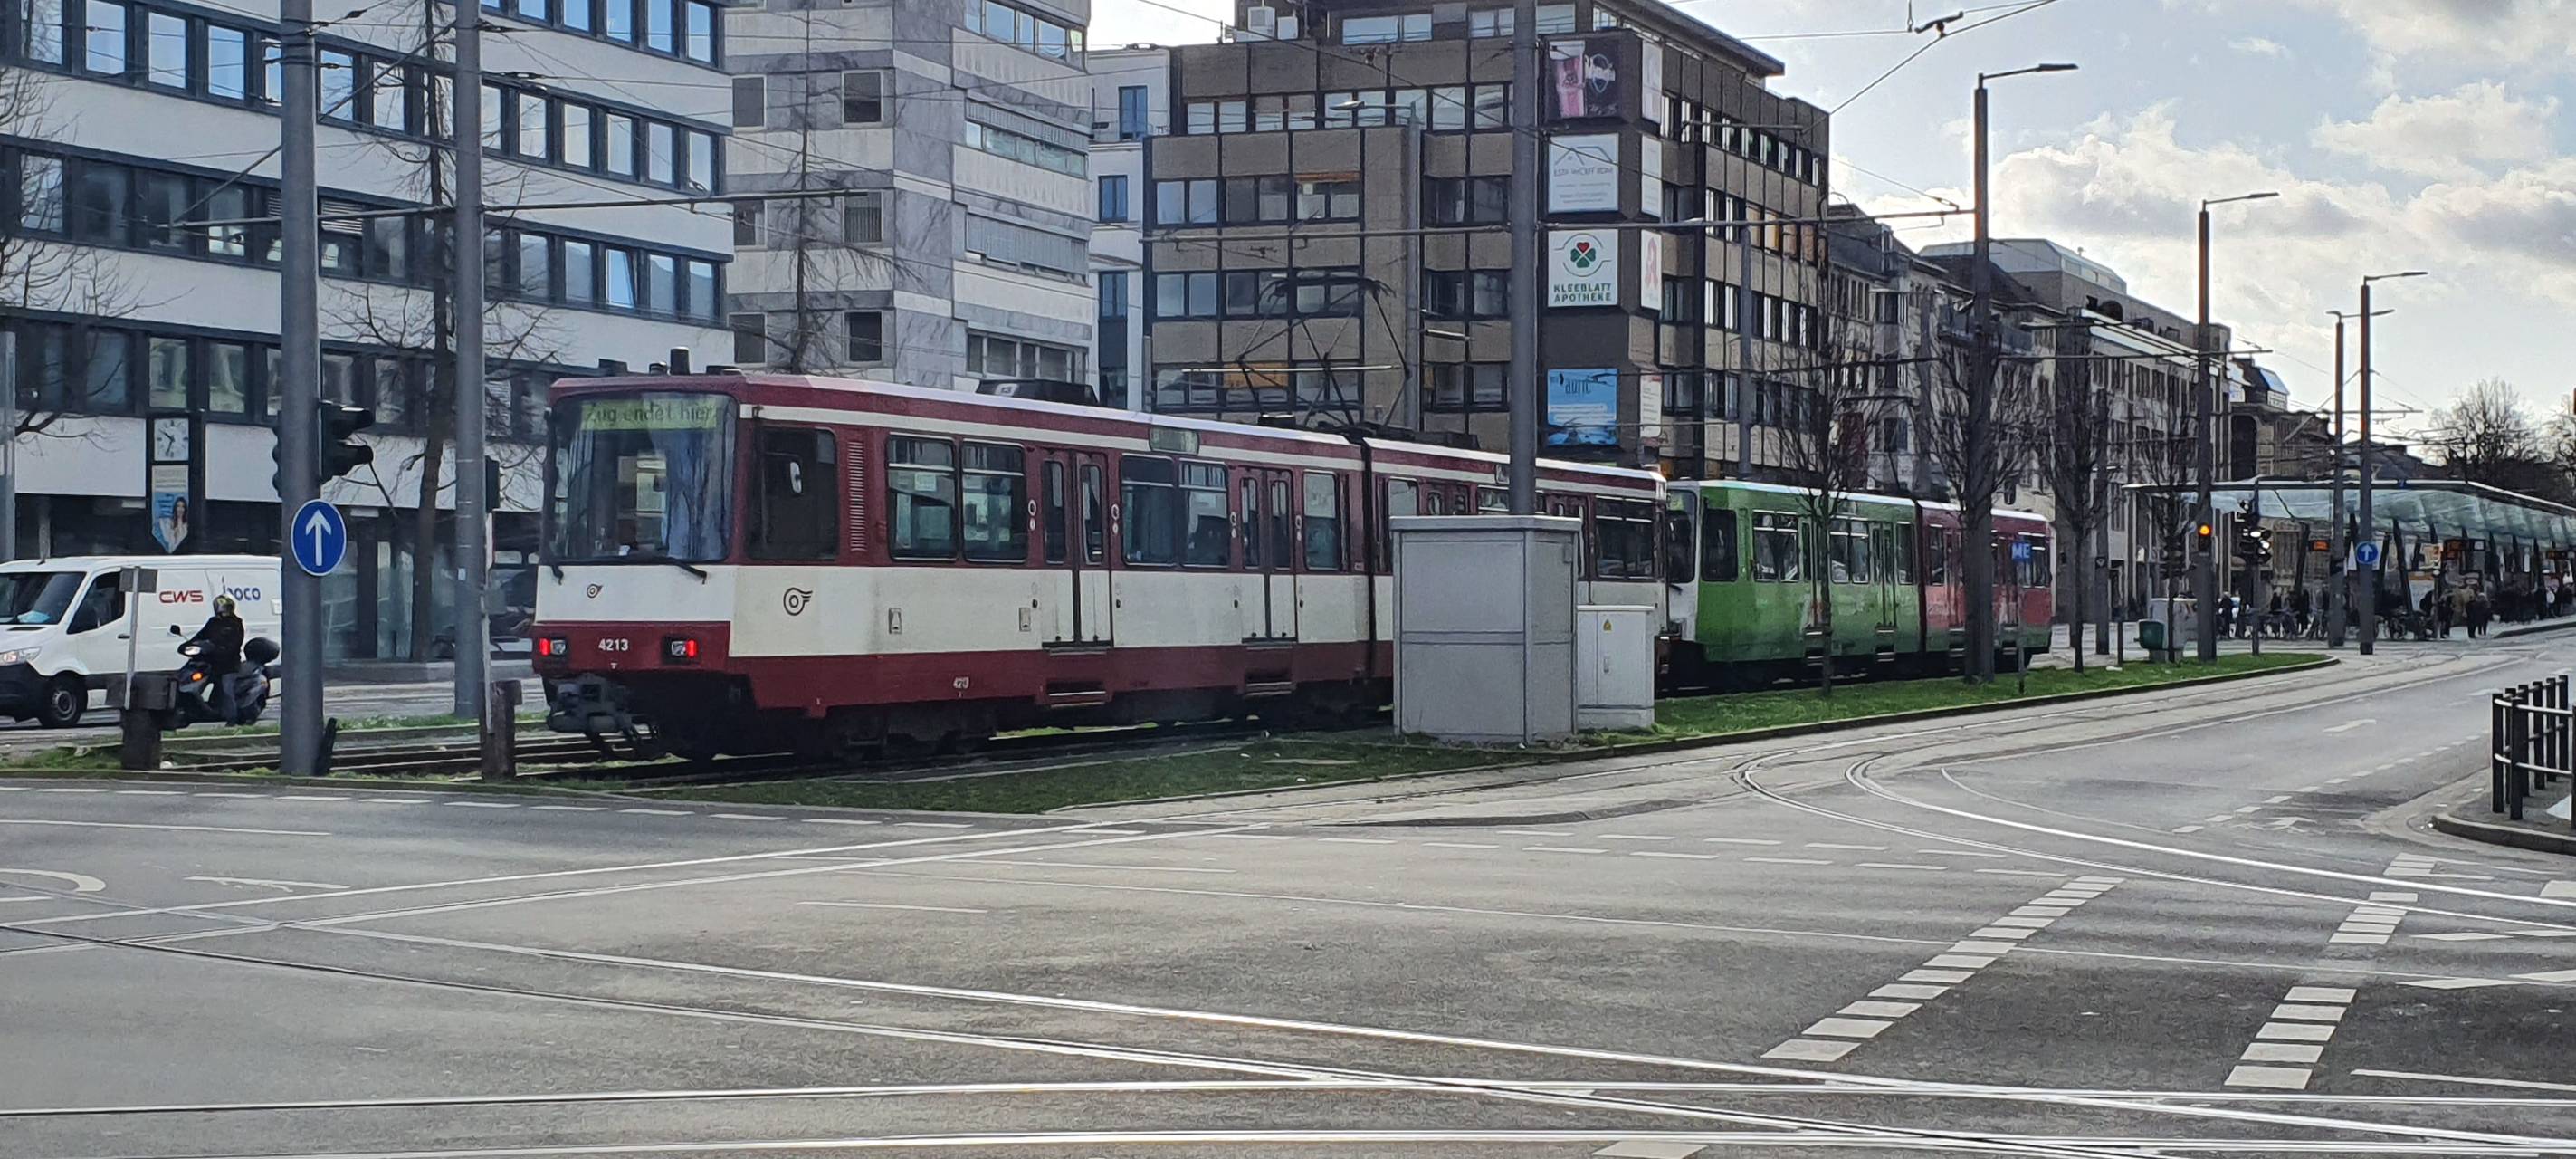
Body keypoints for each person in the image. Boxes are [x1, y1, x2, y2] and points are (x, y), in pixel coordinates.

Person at [180, 594, 246, 722]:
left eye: (225, 607)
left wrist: (220, 649)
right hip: (211, 663)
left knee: (227, 690)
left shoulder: (235, 623)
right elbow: (201, 635)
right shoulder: (213, 622)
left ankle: (231, 718)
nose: (223, 610)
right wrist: (188, 644)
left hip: (229, 665)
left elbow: (235, 643)